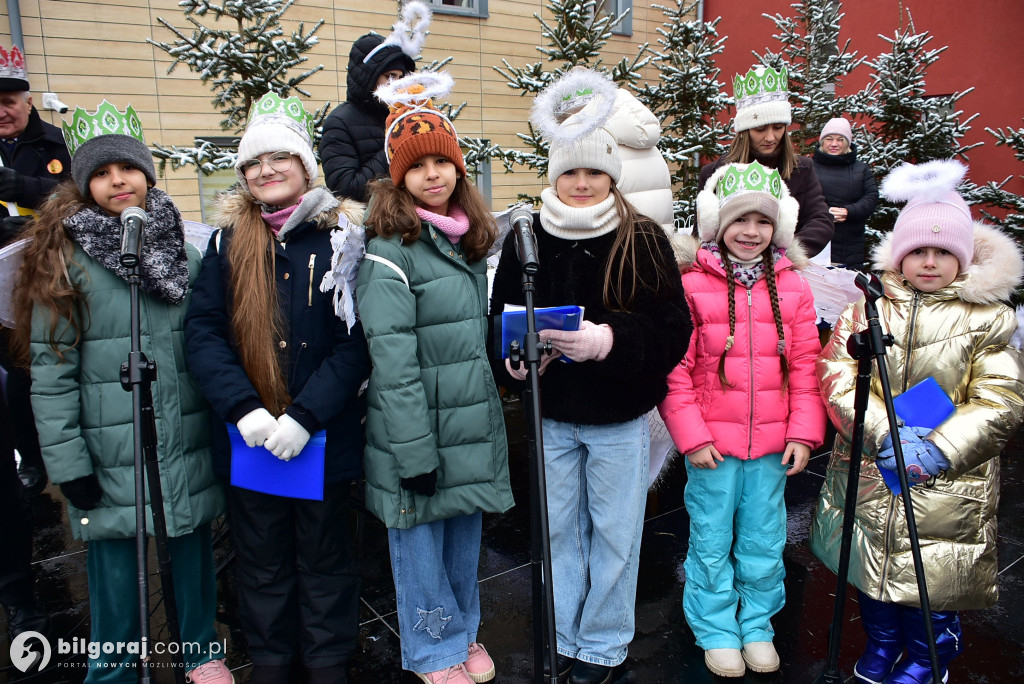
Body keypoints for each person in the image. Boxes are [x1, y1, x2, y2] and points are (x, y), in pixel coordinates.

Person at [10, 100, 230, 684]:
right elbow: (51, 373)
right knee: (113, 560)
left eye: (126, 169)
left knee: (189, 550)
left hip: (179, 436)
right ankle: (112, 665)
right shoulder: (63, 260)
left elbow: (206, 344)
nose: (117, 182)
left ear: (147, 174)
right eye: (102, 173)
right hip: (109, 448)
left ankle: (199, 650)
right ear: (84, 186)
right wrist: (67, 462)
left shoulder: (181, 251)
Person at [490, 82, 690, 684]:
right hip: (551, 413)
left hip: (619, 415)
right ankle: (564, 631)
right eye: (570, 171)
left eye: (594, 172)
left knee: (615, 534)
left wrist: (609, 341)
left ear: (611, 177)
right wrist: (515, 361)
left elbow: (671, 329)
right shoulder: (528, 238)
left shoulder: (642, 238)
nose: (582, 183)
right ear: (554, 176)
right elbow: (497, 320)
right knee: (558, 533)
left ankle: (602, 644)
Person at [810, 159, 1024, 684]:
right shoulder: (868, 307)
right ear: (900, 256)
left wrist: (940, 447)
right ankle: (882, 646)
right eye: (918, 252)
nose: (929, 263)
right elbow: (835, 370)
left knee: (932, 574)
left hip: (946, 479)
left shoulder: (988, 319)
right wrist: (883, 432)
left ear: (963, 259)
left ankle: (931, 658)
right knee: (872, 569)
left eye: (942, 253)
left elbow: (1002, 398)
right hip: (872, 467)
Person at [184, 93, 369, 684]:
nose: (266, 171)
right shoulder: (225, 245)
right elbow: (204, 333)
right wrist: (244, 410)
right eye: (253, 163)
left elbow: (356, 342)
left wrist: (306, 415)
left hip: (322, 438)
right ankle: (270, 658)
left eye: (279, 158)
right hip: (251, 442)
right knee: (259, 555)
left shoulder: (342, 237)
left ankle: (326, 658)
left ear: (305, 165)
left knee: (325, 555)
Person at [356, 71, 513, 684]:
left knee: (461, 539)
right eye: (418, 167)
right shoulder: (390, 250)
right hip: (416, 431)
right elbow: (393, 364)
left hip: (467, 422)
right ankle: (431, 652)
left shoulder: (465, 243)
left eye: (443, 162)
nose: (433, 175)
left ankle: (464, 632)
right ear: (400, 178)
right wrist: (414, 451)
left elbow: (467, 340)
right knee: (420, 546)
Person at [658, 160, 825, 678]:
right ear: (716, 225)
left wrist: (803, 430)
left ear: (778, 229)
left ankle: (756, 623)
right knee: (710, 537)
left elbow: (805, 364)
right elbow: (676, 371)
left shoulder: (794, 287)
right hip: (713, 445)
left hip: (774, 444)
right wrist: (692, 437)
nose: (751, 232)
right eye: (739, 221)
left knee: (763, 536)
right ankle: (714, 626)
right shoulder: (690, 286)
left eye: (763, 222)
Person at [0, 42, 72, 496]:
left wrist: (23, 188)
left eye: (8, 102)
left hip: (45, 275)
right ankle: (29, 456)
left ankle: (56, 453)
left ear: (27, 100)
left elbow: (77, 193)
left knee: (39, 368)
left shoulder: (56, 143)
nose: (2, 112)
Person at [698, 65, 833, 258]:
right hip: (726, 271)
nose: (771, 137)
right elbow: (702, 228)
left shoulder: (801, 169)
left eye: (778, 127)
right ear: (744, 131)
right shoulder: (715, 173)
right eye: (760, 129)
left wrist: (785, 255)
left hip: (782, 273)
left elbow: (820, 220)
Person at [319, 2, 430, 202]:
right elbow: (346, 191)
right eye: (389, 76)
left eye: (400, 76)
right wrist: (396, 143)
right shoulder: (339, 122)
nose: (396, 84)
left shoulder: (408, 112)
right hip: (374, 227)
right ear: (368, 77)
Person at [812, 117, 878, 268]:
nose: (834, 144)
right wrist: (823, 213)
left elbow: (871, 197)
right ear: (822, 141)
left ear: (847, 143)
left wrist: (849, 211)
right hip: (816, 236)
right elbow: (799, 197)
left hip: (850, 243)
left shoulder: (861, 169)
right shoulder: (809, 167)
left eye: (840, 139)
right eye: (829, 139)